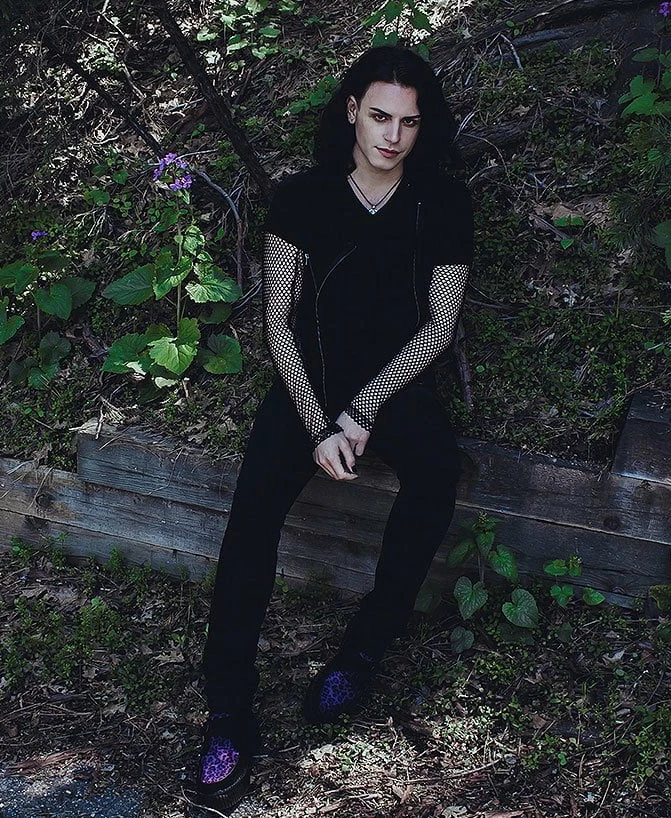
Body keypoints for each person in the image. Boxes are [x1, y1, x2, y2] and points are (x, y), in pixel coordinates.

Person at [191, 44, 474, 812]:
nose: (392, 136)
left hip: (394, 386)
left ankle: (363, 650)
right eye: (380, 117)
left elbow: (440, 327)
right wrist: (320, 423)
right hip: (307, 385)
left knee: (437, 475)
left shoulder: (442, 204)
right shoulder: (303, 197)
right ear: (352, 110)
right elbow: (278, 324)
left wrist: (364, 409)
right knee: (250, 518)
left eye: (408, 122)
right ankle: (228, 713)